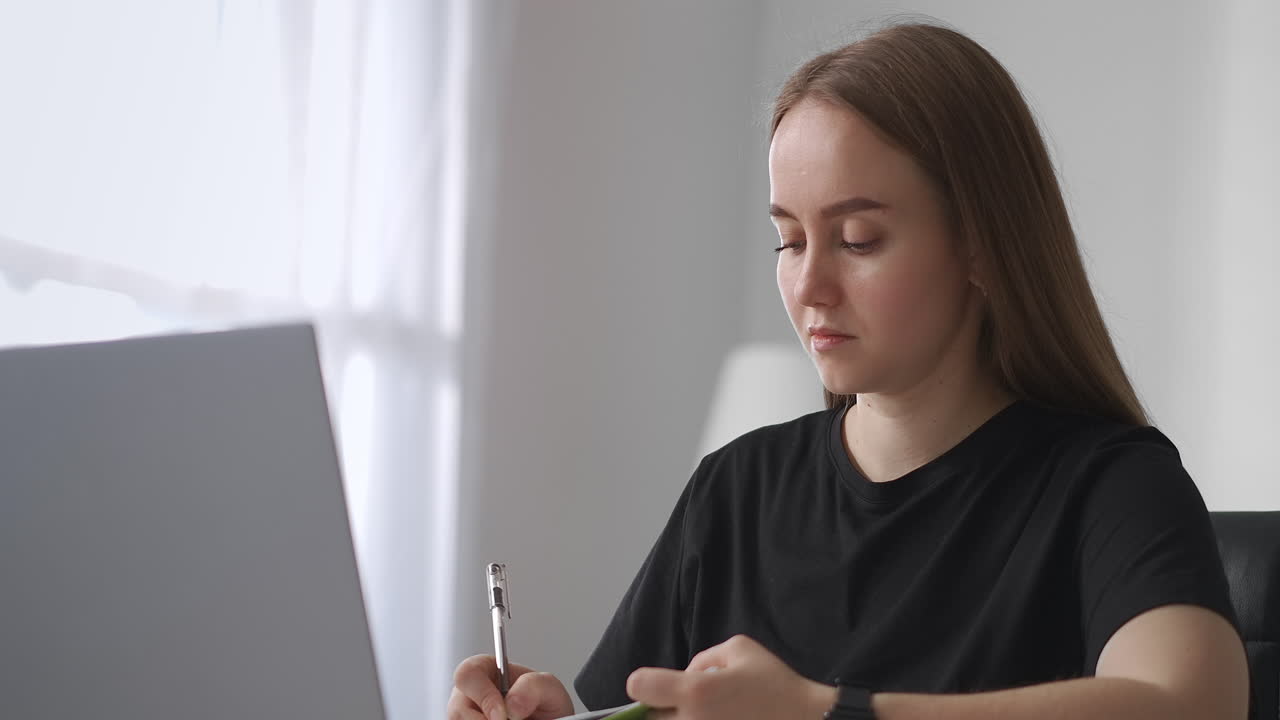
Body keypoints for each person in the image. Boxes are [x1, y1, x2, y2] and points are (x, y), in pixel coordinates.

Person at [447, 21, 1249, 720]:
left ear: (980, 243)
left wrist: (826, 712)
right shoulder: (736, 487)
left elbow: (1188, 705)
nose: (809, 285)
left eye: (858, 239)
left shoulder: (1110, 485)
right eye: (789, 241)